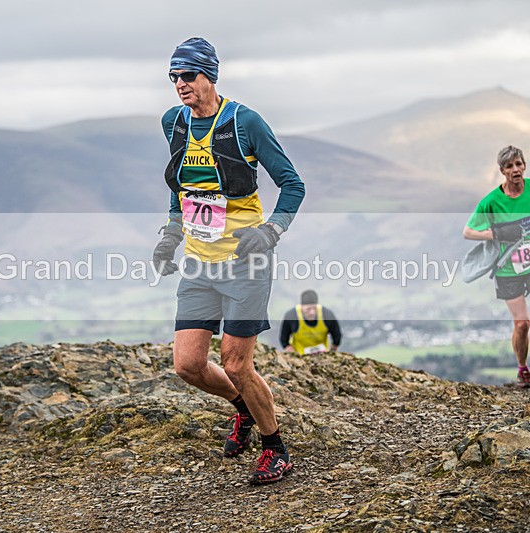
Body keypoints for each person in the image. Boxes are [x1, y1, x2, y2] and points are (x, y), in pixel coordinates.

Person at [152, 37, 305, 485]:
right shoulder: (173, 122)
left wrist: (271, 230)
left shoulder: (245, 122)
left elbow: (292, 185)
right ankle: (243, 411)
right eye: (173, 77)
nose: (180, 85)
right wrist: (170, 235)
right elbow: (181, 189)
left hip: (244, 264)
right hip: (200, 263)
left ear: (210, 77)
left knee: (237, 363)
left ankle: (275, 449)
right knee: (188, 365)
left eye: (189, 76)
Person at [463, 145, 530, 388]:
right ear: (502, 171)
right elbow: (468, 232)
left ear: (524, 165)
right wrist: (497, 232)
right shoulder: (491, 202)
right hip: (507, 269)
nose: (515, 169)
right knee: (522, 324)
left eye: (519, 164)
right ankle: (522, 369)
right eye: (509, 166)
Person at [280, 290, 342, 355]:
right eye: (308, 309)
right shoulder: (291, 316)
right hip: (300, 355)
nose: (312, 312)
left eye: (314, 308)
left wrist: (330, 354)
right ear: (301, 306)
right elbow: (284, 341)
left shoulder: (327, 315)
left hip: (322, 355)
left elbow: (337, 338)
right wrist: (295, 356)